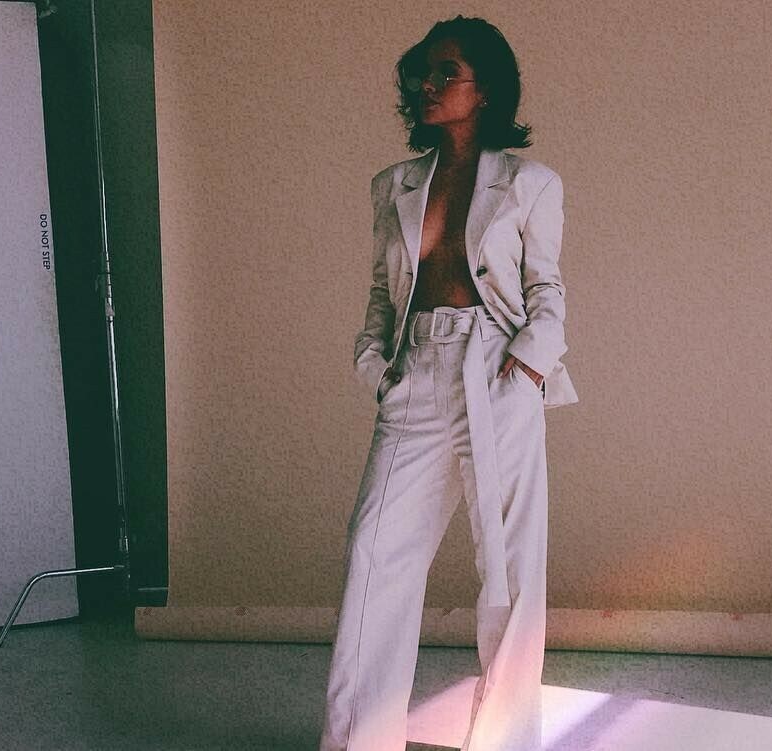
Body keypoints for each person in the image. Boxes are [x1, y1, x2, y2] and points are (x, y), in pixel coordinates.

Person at [319, 14, 578, 751]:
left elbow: (546, 289)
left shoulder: (531, 183)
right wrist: (376, 366)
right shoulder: (393, 185)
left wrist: (529, 365)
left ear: (485, 89)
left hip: (498, 367)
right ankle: (358, 740)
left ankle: (504, 740)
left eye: (447, 73)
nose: (428, 86)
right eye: (423, 74)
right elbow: (382, 293)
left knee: (510, 570)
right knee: (374, 556)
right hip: (416, 371)